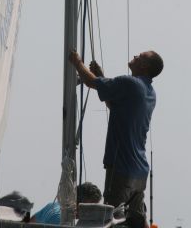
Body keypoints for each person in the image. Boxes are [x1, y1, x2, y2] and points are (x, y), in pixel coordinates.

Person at [69, 50, 163, 228]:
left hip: (121, 168)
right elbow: (116, 106)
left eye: (139, 56)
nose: (135, 56)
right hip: (139, 171)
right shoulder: (150, 92)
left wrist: (77, 62)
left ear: (144, 66)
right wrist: (102, 76)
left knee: (111, 219)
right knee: (135, 220)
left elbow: (90, 82)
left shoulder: (129, 83)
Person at [30, 182, 102, 225]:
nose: (92, 213)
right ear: (79, 203)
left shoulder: (52, 205)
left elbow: (30, 222)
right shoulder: (60, 219)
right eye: (91, 208)